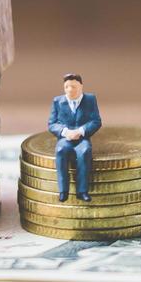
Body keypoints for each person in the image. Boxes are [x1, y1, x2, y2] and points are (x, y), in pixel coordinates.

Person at [48, 73, 102, 202]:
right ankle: (63, 191)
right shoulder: (58, 101)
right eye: (67, 87)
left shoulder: (90, 99)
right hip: (65, 139)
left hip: (82, 139)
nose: (70, 90)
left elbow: (96, 121)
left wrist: (81, 131)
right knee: (60, 151)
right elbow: (52, 124)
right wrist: (65, 132)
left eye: (73, 86)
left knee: (84, 152)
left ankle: (82, 191)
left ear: (81, 87)